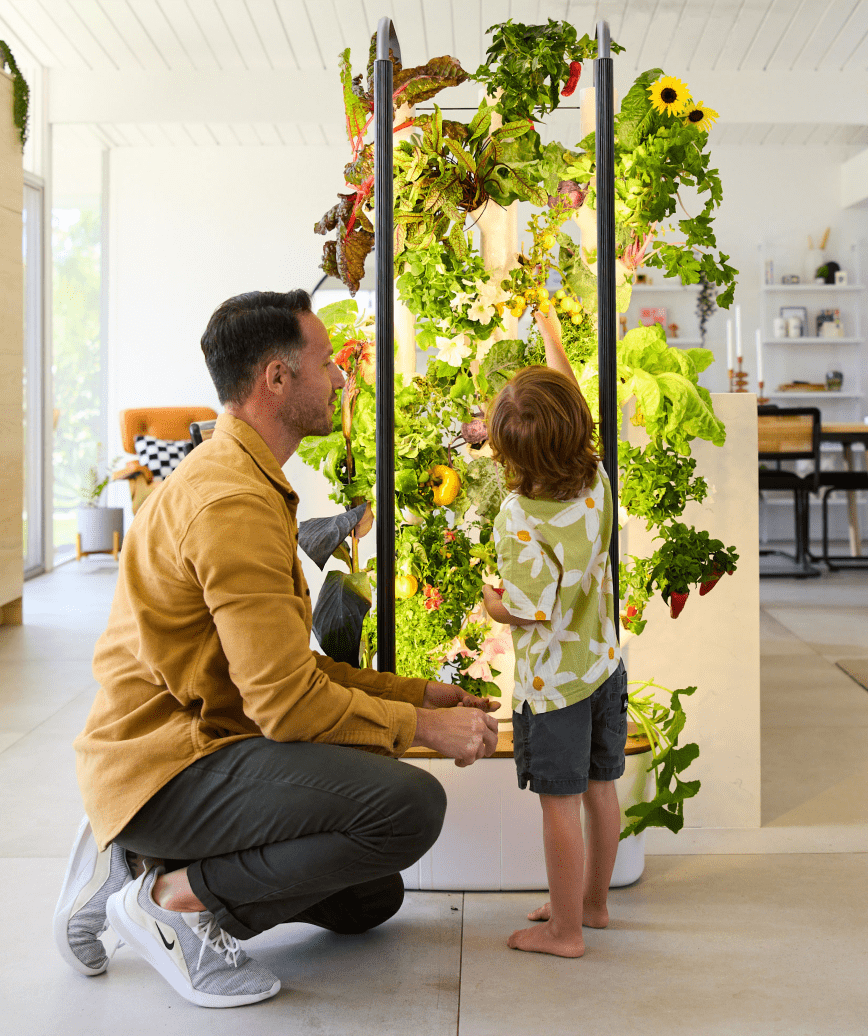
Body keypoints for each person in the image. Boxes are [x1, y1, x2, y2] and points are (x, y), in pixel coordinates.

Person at [54, 289, 499, 1009]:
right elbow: (286, 703)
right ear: (277, 379)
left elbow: (285, 669)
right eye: (327, 363)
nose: (340, 380)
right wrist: (423, 729)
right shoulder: (230, 502)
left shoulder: (246, 481)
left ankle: (135, 863)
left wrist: (416, 694)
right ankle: (170, 899)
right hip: (172, 759)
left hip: (207, 742)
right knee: (408, 810)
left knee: (368, 899)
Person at [482, 309, 626, 959]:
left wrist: (492, 604)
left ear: (508, 454)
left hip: (554, 687)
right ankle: (590, 904)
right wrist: (554, 344)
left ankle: (563, 932)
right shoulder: (597, 477)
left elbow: (526, 606)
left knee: (558, 806)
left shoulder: (518, 514)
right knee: (601, 790)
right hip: (603, 664)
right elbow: (575, 413)